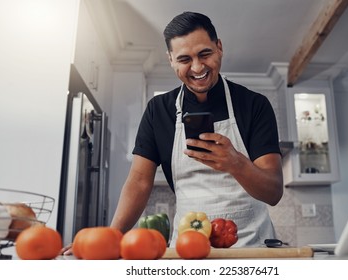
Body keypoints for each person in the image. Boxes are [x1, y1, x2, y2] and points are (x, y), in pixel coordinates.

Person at [62, 11, 282, 254]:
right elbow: (139, 180)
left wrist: (236, 163)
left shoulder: (254, 105)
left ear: (219, 47)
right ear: (171, 60)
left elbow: (273, 192)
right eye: (184, 59)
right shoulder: (159, 111)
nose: (197, 67)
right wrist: (112, 236)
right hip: (188, 249)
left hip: (250, 250)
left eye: (205, 54)